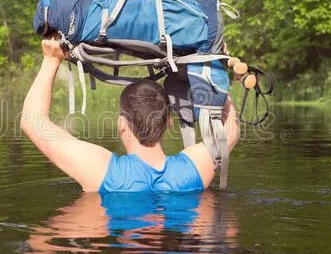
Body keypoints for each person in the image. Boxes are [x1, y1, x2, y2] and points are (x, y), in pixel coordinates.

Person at [20, 35, 240, 192]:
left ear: (121, 123)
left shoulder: (100, 170)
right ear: (168, 123)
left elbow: (33, 122)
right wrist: (215, 66)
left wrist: (51, 60)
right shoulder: (195, 167)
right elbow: (229, 130)